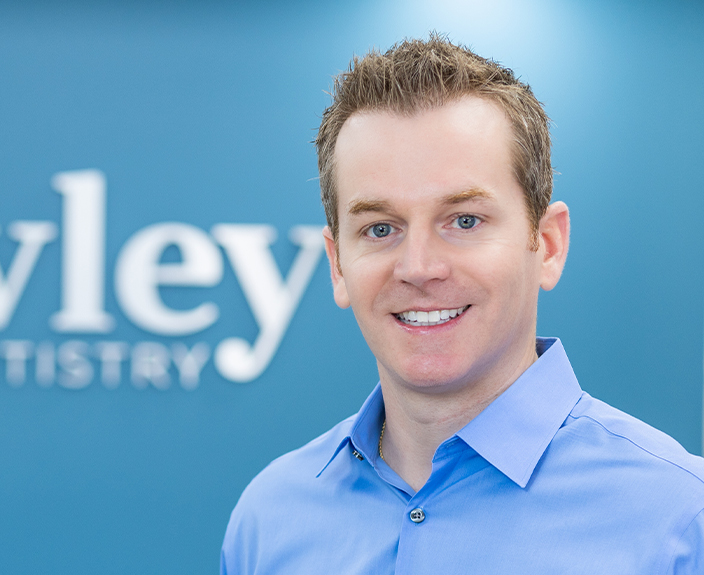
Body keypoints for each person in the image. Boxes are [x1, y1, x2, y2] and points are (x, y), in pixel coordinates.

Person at [220, 34, 704, 574]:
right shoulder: (269, 520)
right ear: (337, 264)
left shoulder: (680, 520)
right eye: (380, 228)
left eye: (465, 220)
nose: (419, 267)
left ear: (547, 244)